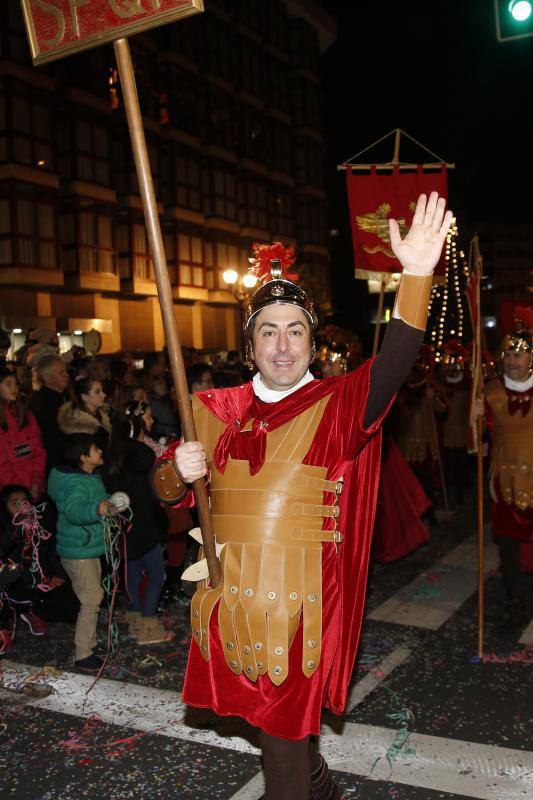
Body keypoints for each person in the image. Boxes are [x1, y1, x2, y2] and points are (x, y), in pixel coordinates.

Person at [152, 193, 453, 798]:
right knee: (271, 727)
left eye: (296, 332)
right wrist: (175, 472)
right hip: (229, 602)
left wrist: (416, 277)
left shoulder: (338, 406)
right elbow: (170, 501)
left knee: (281, 743)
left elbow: (393, 366)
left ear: (312, 345)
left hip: (300, 610)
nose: (283, 346)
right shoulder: (211, 409)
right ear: (250, 347)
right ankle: (322, 786)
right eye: (269, 332)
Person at [478, 306, 533, 631]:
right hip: (505, 481)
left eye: (519, 355)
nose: (512, 361)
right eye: (508, 355)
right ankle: (518, 604)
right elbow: (480, 440)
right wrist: (474, 418)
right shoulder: (491, 391)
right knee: (509, 548)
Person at [103, 400, 173, 645]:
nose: (151, 422)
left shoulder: (114, 453)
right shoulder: (142, 454)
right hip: (145, 524)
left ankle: (133, 619)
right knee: (156, 575)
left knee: (131, 573)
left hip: (125, 524)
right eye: (148, 419)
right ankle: (147, 626)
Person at [47, 433, 114, 673]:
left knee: (92, 596)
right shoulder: (76, 483)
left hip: (87, 547)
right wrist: (96, 509)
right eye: (96, 449)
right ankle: (83, 653)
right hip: (79, 549)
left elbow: (94, 501)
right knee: (91, 598)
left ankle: (89, 645)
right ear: (84, 457)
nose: (101, 452)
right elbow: (75, 511)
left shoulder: (88, 477)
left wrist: (107, 505)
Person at [0, 367, 46, 500]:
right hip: (9, 491)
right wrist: (19, 490)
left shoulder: (24, 411)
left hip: (33, 484)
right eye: (8, 384)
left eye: (15, 383)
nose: (14, 388)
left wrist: (37, 480)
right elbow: (2, 465)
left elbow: (38, 450)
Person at [30, 355, 69, 474]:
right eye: (61, 372)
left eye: (65, 371)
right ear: (46, 377)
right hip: (54, 464)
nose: (66, 375)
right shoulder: (43, 403)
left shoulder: (63, 397)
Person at [58, 375, 111, 452]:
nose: (104, 395)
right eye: (97, 392)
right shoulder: (78, 424)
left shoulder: (104, 414)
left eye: (102, 391)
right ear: (84, 397)